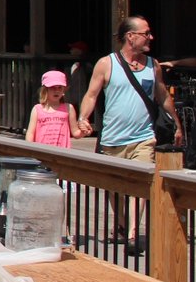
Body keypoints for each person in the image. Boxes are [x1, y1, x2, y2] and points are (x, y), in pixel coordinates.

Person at [78, 15, 182, 255]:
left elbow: (163, 95)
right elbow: (91, 95)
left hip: (143, 138)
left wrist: (177, 124)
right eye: (146, 33)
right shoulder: (107, 63)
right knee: (114, 188)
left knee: (139, 184)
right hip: (112, 140)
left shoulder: (152, 64)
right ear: (130, 36)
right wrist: (84, 118)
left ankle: (133, 232)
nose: (151, 37)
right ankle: (123, 225)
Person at [25, 70, 84, 148]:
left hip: (62, 153)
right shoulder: (37, 109)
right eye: (52, 87)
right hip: (41, 151)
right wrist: (30, 148)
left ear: (64, 90)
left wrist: (84, 131)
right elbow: (30, 133)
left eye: (60, 87)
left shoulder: (68, 108)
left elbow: (75, 132)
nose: (56, 91)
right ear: (45, 90)